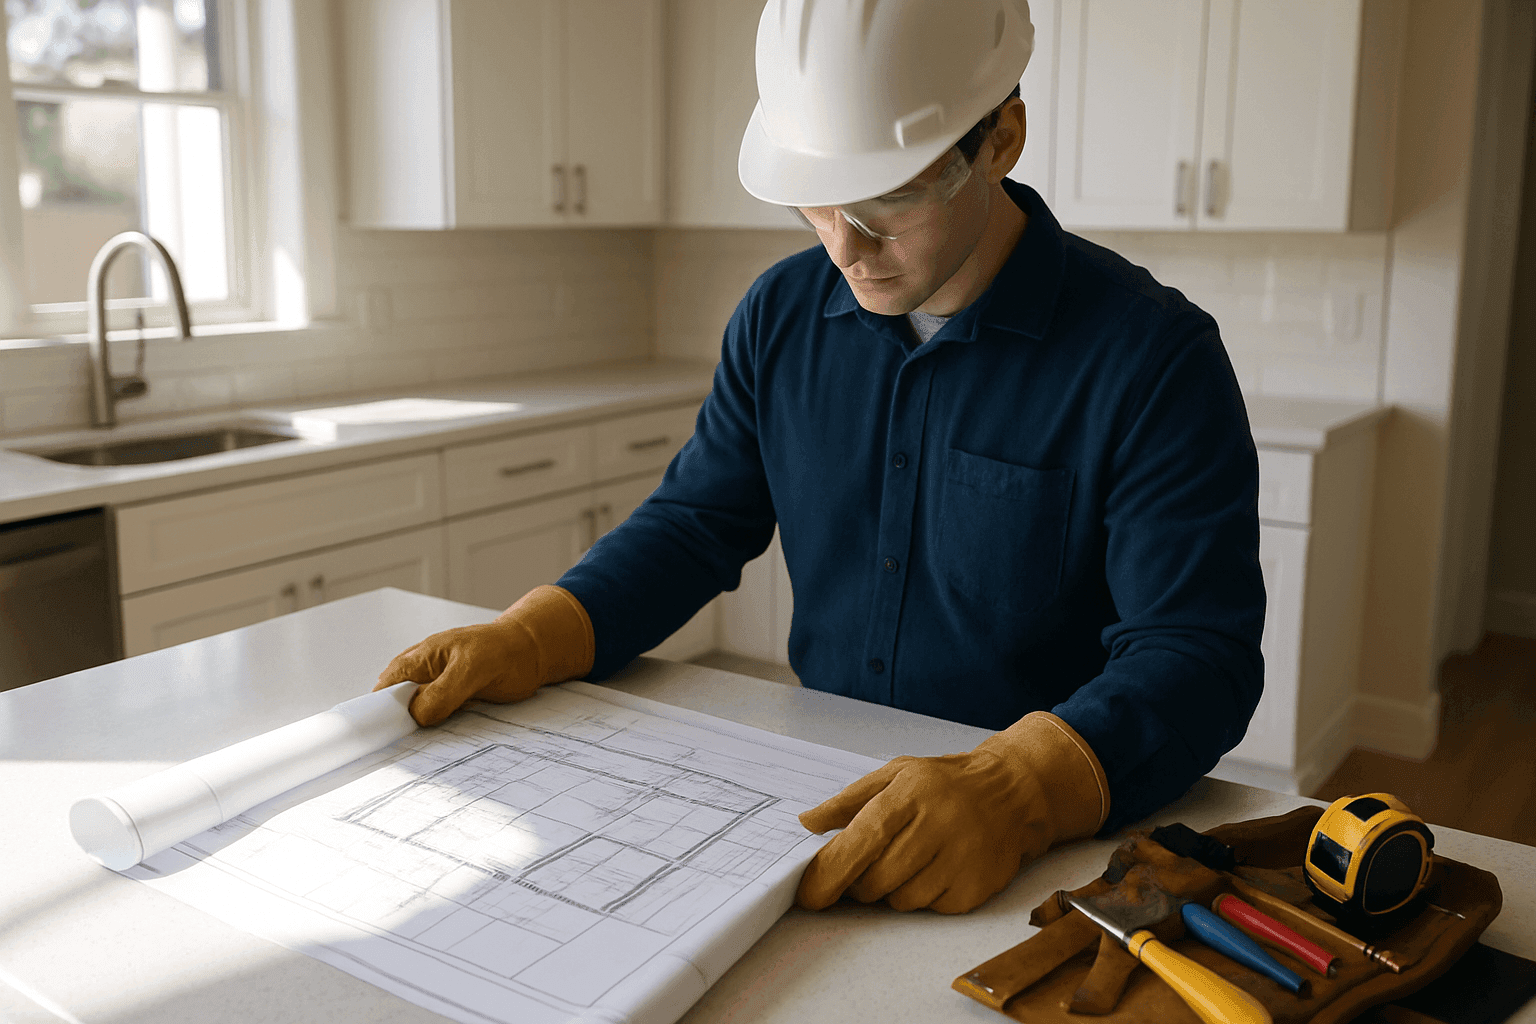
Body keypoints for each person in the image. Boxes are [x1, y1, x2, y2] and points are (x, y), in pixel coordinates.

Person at [377, 0, 1265, 915]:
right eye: (817, 198)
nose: (845, 245)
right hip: (819, 801)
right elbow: (695, 524)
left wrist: (1019, 790)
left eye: (891, 196)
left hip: (1040, 849)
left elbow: (1199, 654)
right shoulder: (779, 316)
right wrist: (535, 631)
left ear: (1001, 137)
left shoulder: (1154, 358)